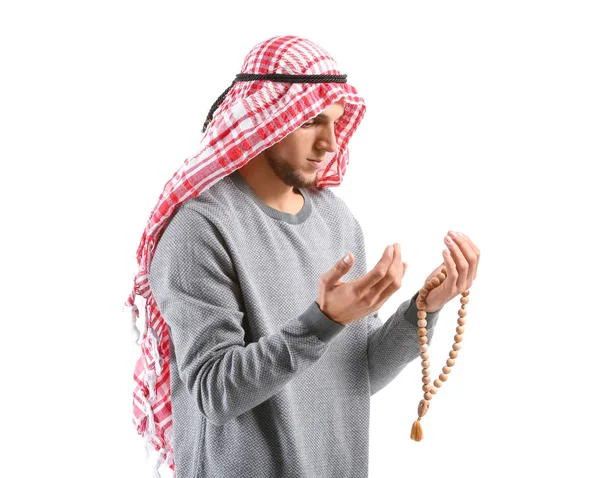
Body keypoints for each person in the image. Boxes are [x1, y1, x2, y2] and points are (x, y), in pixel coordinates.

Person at [125, 35, 480, 478]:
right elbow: (215, 394)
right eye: (312, 121)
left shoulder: (338, 220)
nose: (330, 143)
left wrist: (427, 307)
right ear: (267, 119)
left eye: (335, 123)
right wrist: (323, 321)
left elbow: (355, 374)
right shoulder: (200, 228)